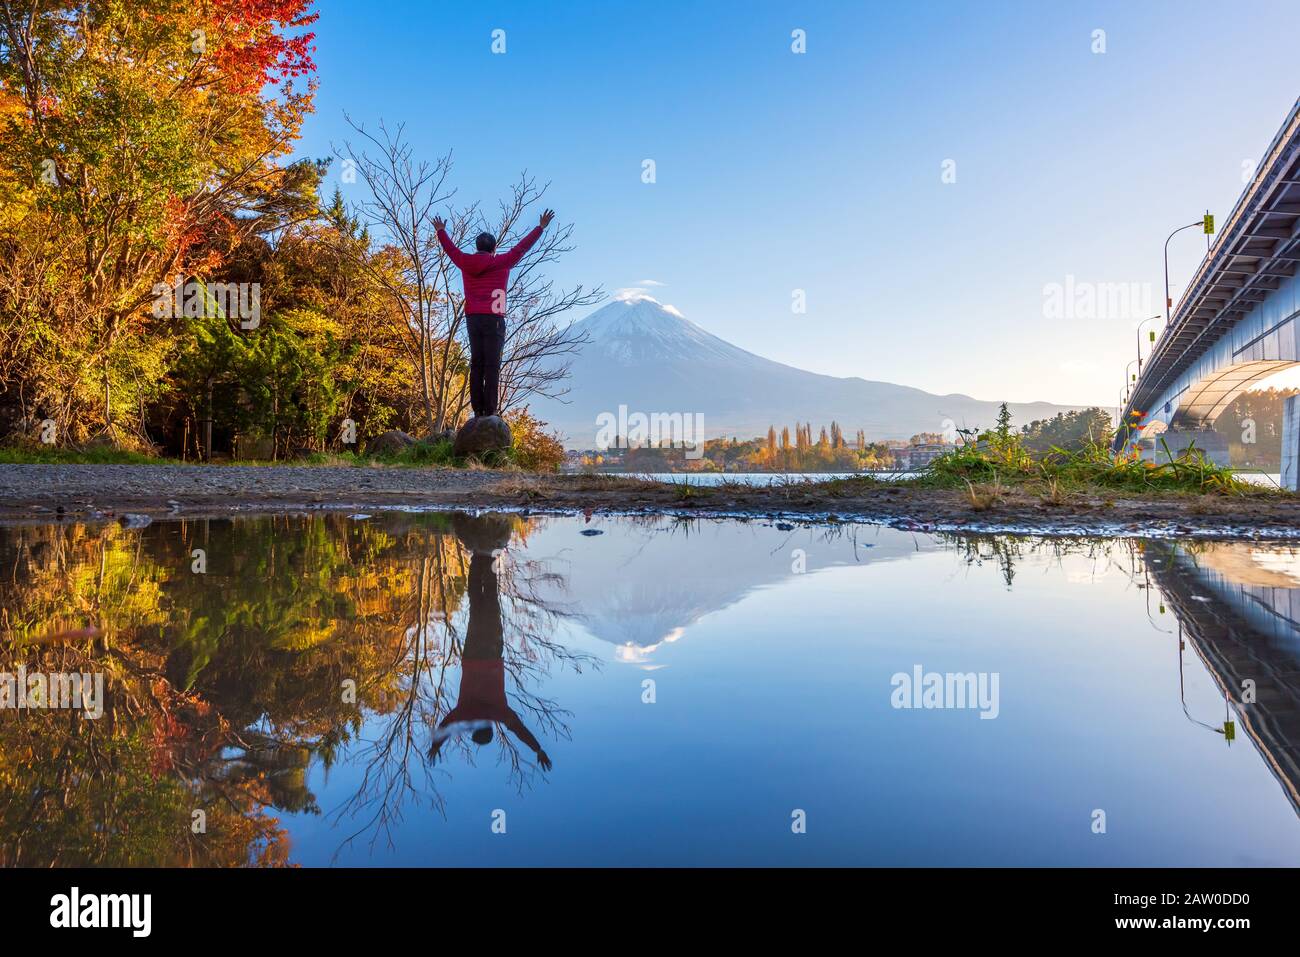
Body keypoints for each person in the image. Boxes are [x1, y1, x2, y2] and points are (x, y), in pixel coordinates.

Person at [429, 519, 552, 771]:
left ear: (491, 730)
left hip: (493, 652)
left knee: (491, 601)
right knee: (477, 603)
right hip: (473, 654)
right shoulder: (465, 713)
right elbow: (445, 727)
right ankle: (478, 558)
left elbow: (519, 730)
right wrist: (435, 746)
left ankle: (489, 557)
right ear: (475, 730)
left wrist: (538, 748)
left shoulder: (499, 714)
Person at [433, 209, 554, 418]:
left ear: (477, 248)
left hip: (473, 319)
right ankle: (490, 409)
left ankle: (478, 408)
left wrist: (441, 231)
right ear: (494, 248)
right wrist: (540, 227)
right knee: (492, 364)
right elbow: (522, 248)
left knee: (477, 363)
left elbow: (450, 250)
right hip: (494, 318)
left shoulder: (465, 261)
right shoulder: (502, 262)